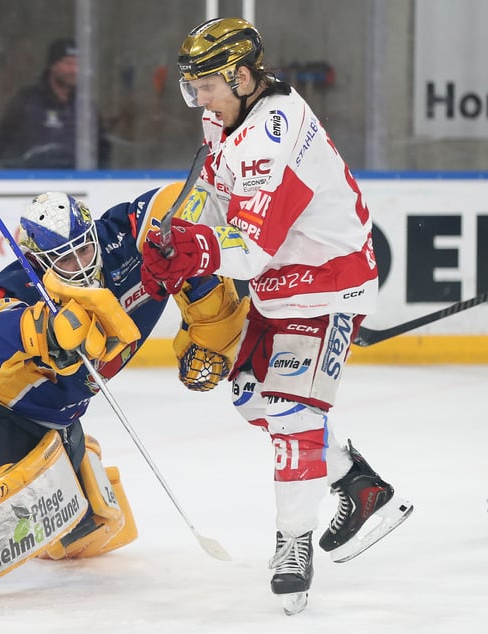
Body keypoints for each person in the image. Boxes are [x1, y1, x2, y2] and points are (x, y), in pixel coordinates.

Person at [140, 17, 414, 615]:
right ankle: (359, 485)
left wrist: (199, 252)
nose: (198, 98)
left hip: (328, 282)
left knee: (291, 412)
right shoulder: (225, 111)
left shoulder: (273, 138)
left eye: (206, 85)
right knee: (247, 394)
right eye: (192, 86)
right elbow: (214, 191)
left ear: (242, 76)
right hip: (275, 284)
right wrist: (178, 237)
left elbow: (252, 246)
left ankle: (294, 545)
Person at [0, 184, 247, 604]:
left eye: (84, 248)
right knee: (14, 508)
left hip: (59, 417)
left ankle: (68, 462)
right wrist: (41, 329)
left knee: (93, 526)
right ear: (38, 260)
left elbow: (177, 202)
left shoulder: (126, 238)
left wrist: (210, 330)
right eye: (65, 258)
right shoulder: (20, 287)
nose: (81, 265)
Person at [0, 38, 111, 169]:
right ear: (52, 66)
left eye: (78, 64)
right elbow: (3, 147)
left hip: (77, 185)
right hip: (33, 184)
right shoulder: (27, 102)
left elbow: (102, 151)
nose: (74, 70)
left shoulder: (86, 107)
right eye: (68, 63)